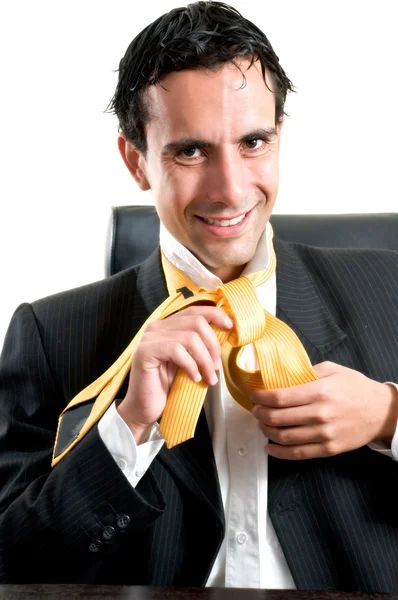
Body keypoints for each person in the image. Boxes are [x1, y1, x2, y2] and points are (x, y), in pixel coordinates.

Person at [0, 0, 397, 591]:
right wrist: (128, 426)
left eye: (254, 142)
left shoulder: (392, 290)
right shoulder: (49, 334)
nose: (231, 189)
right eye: (190, 151)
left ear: (280, 138)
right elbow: (14, 563)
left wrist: (389, 417)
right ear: (136, 160)